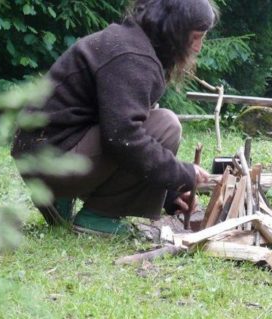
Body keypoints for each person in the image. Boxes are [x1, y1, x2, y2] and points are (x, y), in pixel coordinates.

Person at [11, 0, 218, 235]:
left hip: (43, 154)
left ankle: (59, 196)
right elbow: (123, 137)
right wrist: (181, 174)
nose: (198, 47)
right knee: (166, 125)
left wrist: (170, 194)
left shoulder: (129, 42)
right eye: (196, 37)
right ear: (174, 30)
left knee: (152, 124)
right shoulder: (132, 56)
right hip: (50, 161)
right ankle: (97, 216)